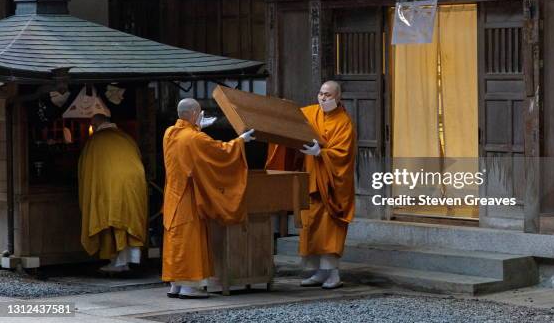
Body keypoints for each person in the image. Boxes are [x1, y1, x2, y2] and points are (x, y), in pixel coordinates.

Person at [266, 81, 356, 289]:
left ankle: (333, 274)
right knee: (311, 228)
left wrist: (320, 154)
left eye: (328, 95)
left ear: (338, 97)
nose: (323, 98)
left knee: (329, 231)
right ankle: (318, 272)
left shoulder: (344, 123)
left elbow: (343, 156)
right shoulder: (310, 112)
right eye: (321, 94)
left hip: (331, 186)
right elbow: (291, 119)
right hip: (311, 180)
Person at [162, 98, 255, 299]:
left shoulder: (169, 133)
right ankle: (189, 286)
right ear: (195, 114)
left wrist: (197, 127)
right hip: (187, 196)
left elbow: (189, 144)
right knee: (189, 240)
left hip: (172, 195)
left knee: (175, 239)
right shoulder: (194, 138)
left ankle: (175, 285)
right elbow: (220, 151)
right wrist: (240, 142)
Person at [78, 113, 148, 273]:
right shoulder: (126, 138)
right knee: (127, 220)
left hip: (111, 187)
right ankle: (125, 261)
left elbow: (86, 171)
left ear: (94, 126)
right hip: (134, 184)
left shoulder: (95, 141)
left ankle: (117, 262)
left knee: (112, 219)